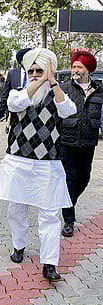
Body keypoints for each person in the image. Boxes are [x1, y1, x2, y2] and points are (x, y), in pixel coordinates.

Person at [0, 48, 77, 281]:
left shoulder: (58, 94)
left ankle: (50, 263)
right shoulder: (18, 93)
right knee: (16, 210)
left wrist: (51, 82)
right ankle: (18, 246)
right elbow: (16, 104)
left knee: (50, 215)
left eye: (40, 70)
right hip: (19, 163)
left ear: (49, 71)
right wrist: (38, 81)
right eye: (31, 71)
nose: (35, 74)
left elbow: (68, 111)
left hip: (47, 165)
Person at [59, 51, 103, 237]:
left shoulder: (99, 90)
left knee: (84, 179)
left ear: (88, 70)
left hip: (88, 142)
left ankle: (68, 202)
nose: (75, 69)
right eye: (74, 66)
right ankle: (68, 219)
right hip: (67, 141)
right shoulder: (64, 88)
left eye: (79, 67)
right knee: (69, 179)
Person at [0, 48, 32, 120]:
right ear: (21, 61)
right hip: (16, 117)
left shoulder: (38, 73)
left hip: (34, 115)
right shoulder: (12, 74)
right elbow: (5, 95)